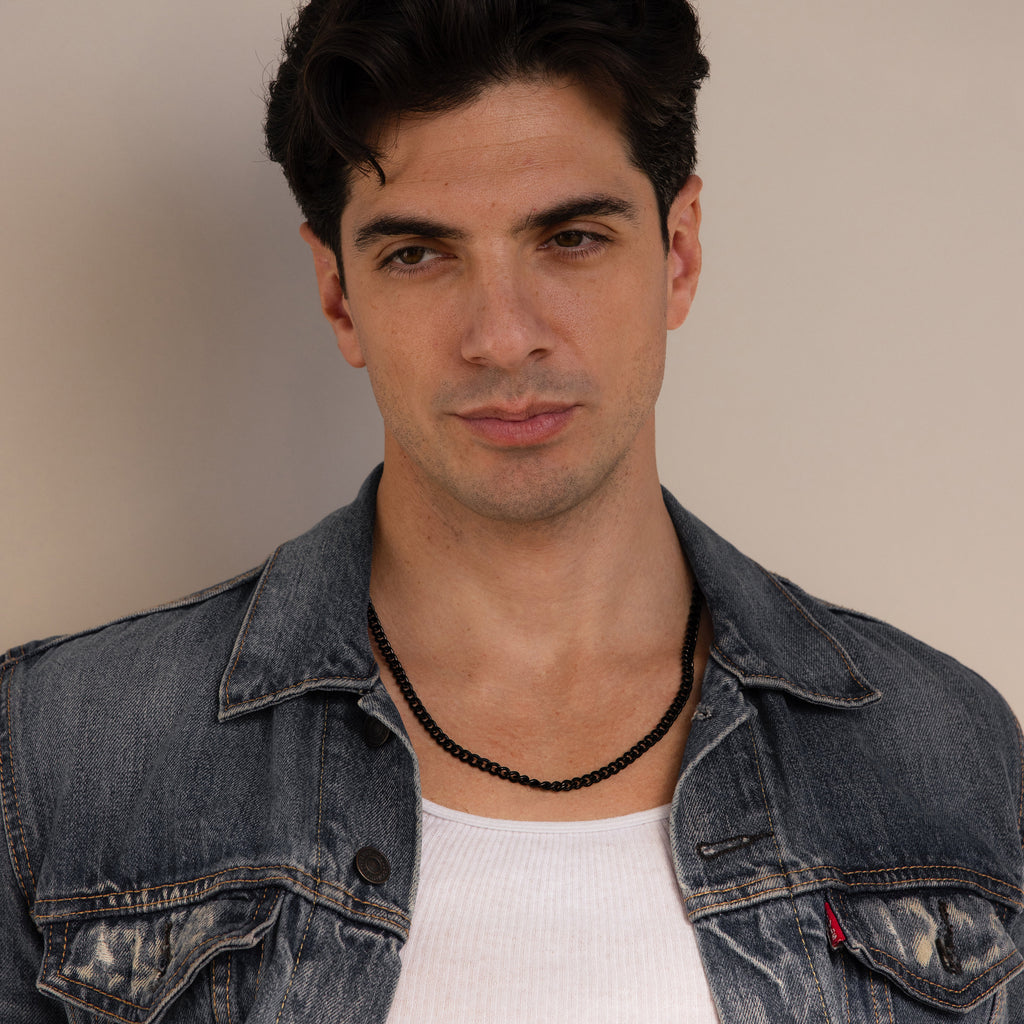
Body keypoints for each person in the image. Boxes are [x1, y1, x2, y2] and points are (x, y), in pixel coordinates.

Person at [2, 1, 1021, 1020]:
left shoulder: (942, 755)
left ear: (678, 252)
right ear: (338, 294)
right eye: (418, 254)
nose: (502, 336)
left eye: (570, 238)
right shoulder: (61, 757)